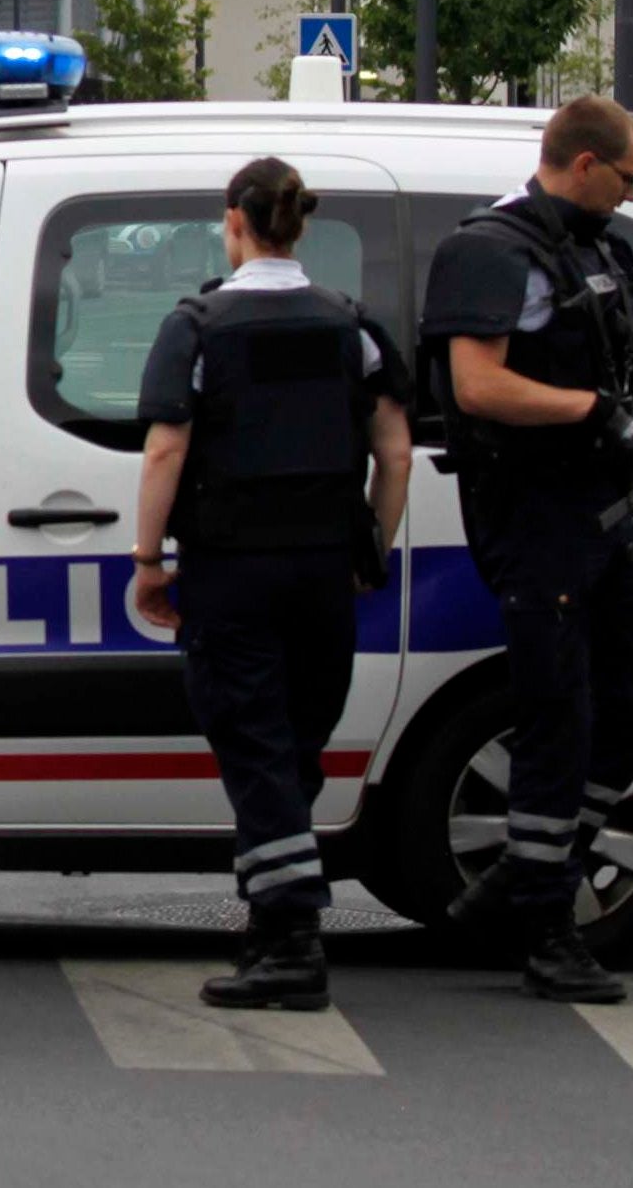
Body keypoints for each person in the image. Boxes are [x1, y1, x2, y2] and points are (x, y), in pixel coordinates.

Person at [128, 159, 413, 1010]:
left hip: (232, 571)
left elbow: (164, 449)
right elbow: (394, 452)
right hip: (324, 569)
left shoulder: (197, 326)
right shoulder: (350, 325)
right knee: (289, 750)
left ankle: (291, 942)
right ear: (298, 227)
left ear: (234, 222)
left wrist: (148, 560)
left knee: (255, 750)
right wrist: (372, 547)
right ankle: (268, 924)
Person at [419, 95, 633, 1005]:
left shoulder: (595, 246)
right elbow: (477, 385)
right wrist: (587, 411)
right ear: (580, 163)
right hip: (535, 521)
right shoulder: (487, 249)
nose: (630, 193)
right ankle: (546, 928)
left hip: (610, 518)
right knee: (554, 716)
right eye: (625, 175)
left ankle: (528, 869)